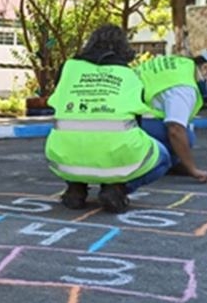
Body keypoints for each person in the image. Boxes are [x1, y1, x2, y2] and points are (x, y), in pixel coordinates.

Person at [45, 24, 171, 213]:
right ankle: (118, 189)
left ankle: (75, 187)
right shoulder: (130, 74)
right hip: (115, 149)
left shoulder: (68, 68)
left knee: (76, 140)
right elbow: (136, 122)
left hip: (63, 156)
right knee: (163, 157)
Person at [136, 53, 207, 183]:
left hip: (119, 114)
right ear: (205, 68)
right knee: (186, 136)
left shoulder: (180, 64)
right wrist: (193, 170)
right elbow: (175, 129)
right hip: (131, 122)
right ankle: (160, 163)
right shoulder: (184, 88)